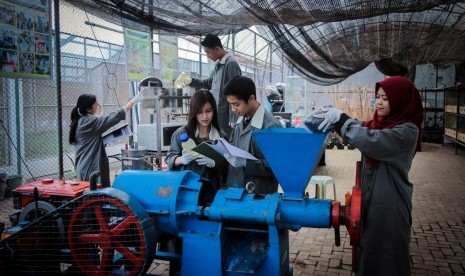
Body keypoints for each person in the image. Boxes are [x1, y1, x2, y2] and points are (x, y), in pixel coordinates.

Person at [304, 76, 424, 275]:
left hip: (390, 206)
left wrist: (343, 121)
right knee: (369, 253)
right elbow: (363, 128)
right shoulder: (380, 124)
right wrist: (334, 120)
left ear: (401, 100)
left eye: (385, 98)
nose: (379, 102)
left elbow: (373, 141)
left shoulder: (407, 132)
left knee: (387, 257)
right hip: (370, 200)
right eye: (377, 97)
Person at [222, 76, 283, 194]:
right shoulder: (241, 119)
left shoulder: (271, 126)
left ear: (251, 98)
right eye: (231, 105)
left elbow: (278, 165)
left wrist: (246, 162)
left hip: (259, 194)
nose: (233, 109)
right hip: (236, 190)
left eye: (236, 104)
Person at [174, 34, 241, 137]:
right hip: (217, 115)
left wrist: (233, 119)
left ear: (217, 49)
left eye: (208, 52)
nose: (207, 56)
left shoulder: (230, 64)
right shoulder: (218, 66)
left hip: (226, 118)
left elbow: (236, 92)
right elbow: (208, 83)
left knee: (227, 142)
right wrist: (190, 80)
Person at [69, 93, 142, 187]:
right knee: (95, 194)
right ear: (88, 109)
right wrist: (133, 101)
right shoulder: (87, 122)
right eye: (96, 104)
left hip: (85, 166)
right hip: (89, 168)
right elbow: (111, 118)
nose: (99, 105)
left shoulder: (82, 120)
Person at [166, 89, 226, 190]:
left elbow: (226, 167)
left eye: (208, 111)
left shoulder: (221, 137)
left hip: (211, 192)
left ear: (214, 111)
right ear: (193, 112)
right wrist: (182, 159)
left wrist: (214, 163)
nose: (205, 116)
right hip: (185, 189)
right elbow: (169, 159)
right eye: (199, 112)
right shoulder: (181, 134)